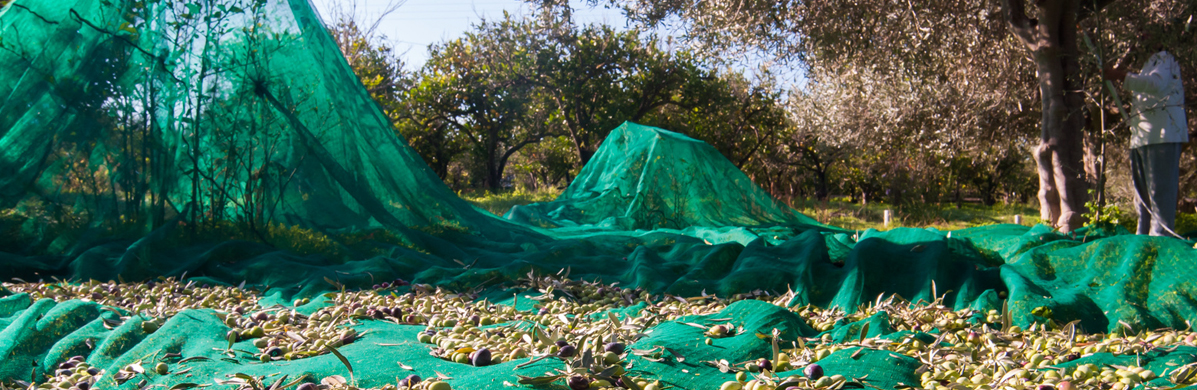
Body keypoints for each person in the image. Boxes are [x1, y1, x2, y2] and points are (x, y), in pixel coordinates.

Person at [1104, 48, 1188, 237]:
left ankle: (1160, 244)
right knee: (1141, 200)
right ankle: (1142, 241)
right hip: (1142, 137)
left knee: (1160, 196)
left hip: (1162, 136)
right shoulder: (1148, 63)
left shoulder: (1165, 58)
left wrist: (1119, 75)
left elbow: (1155, 84)